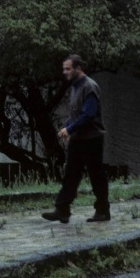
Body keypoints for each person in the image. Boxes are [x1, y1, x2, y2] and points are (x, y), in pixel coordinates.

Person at [42, 54, 110, 223]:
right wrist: (67, 129)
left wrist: (70, 128)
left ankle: (102, 210)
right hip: (79, 139)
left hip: (92, 138)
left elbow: (88, 113)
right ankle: (62, 209)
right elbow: (76, 113)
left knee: (96, 175)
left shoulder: (89, 86)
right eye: (64, 68)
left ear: (78, 68)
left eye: (68, 68)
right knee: (71, 174)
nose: (64, 72)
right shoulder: (74, 87)